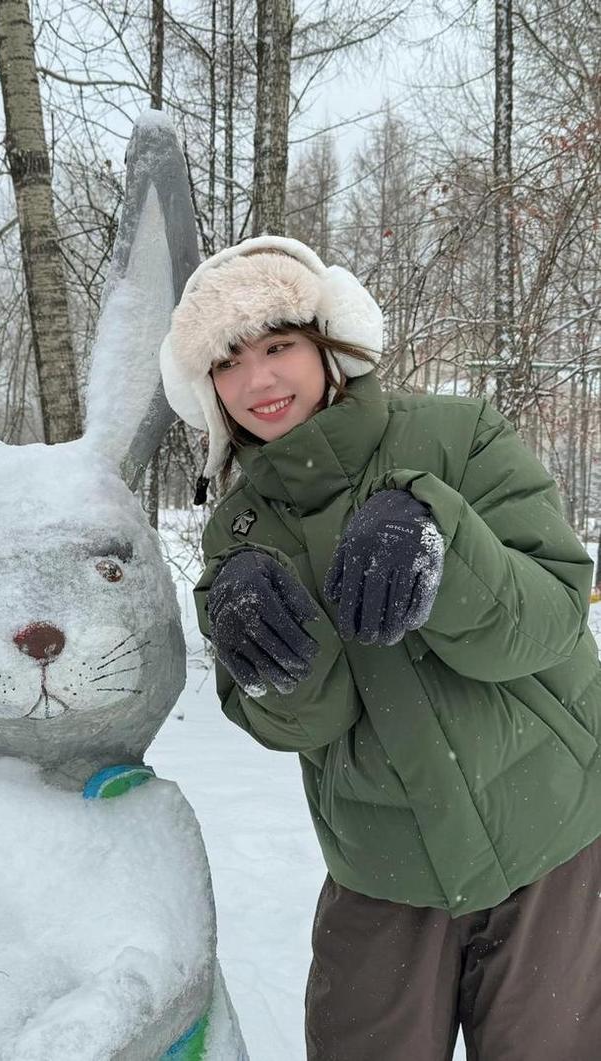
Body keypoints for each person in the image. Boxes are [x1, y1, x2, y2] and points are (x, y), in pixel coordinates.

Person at [158, 235, 601, 1061]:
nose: (258, 380)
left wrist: (440, 537)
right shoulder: (239, 537)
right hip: (380, 866)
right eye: (227, 362)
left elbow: (548, 615)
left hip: (552, 834)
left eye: (279, 345)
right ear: (207, 388)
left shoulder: (457, 435)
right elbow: (299, 726)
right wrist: (269, 659)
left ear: (330, 344)